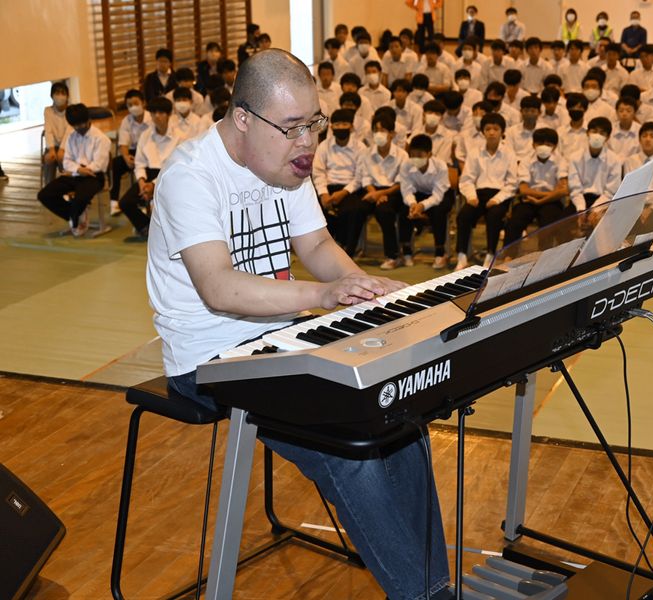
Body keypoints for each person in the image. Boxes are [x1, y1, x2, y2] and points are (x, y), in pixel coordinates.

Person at [147, 49, 453, 600]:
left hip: (280, 342)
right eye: (291, 128)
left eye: (314, 124)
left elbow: (315, 244)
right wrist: (324, 294)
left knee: (401, 420)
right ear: (243, 118)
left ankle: (432, 587)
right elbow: (219, 288)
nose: (307, 143)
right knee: (349, 450)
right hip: (209, 359)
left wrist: (364, 289)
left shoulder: (284, 163)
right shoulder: (189, 177)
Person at [37, 103, 111, 236]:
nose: (79, 128)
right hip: (75, 174)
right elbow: (66, 161)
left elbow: (100, 164)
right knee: (44, 194)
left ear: (89, 120)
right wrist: (78, 169)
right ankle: (75, 215)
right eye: (75, 125)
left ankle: (76, 215)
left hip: (94, 176)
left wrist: (84, 170)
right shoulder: (72, 136)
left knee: (80, 197)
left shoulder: (101, 139)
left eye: (81, 124)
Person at [456, 113, 517, 269]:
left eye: (495, 129)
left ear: (502, 132)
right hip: (478, 194)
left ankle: (491, 254)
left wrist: (497, 199)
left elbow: (512, 183)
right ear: (482, 131)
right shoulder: (475, 152)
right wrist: (471, 196)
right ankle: (462, 255)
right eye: (488, 128)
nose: (491, 132)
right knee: (464, 215)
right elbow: (467, 179)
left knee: (494, 216)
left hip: (499, 195)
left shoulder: (509, 153)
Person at [118, 97, 182, 241]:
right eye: (153, 113)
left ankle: (171, 230)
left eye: (161, 113)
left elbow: (176, 166)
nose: (157, 116)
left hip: (170, 176)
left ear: (168, 114)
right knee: (125, 202)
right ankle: (146, 227)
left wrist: (153, 185)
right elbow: (139, 163)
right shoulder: (145, 135)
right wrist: (141, 182)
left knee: (164, 204)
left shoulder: (179, 136)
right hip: (148, 176)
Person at [358, 111, 410, 269]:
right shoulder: (367, 153)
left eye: (382, 130)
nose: (378, 134)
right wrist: (374, 192)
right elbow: (365, 177)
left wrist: (381, 194)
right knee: (355, 209)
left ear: (392, 134)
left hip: (393, 192)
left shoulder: (401, 155)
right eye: (376, 130)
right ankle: (349, 250)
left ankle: (392, 255)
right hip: (372, 190)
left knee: (384, 211)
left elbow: (402, 182)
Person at [313, 108, 367, 254]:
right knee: (314, 208)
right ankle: (322, 249)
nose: (340, 127)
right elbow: (318, 172)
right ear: (331, 127)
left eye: (344, 124)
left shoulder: (360, 147)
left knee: (354, 210)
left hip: (350, 189)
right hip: (328, 187)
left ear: (351, 126)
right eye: (337, 124)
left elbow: (360, 177)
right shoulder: (324, 146)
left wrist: (343, 193)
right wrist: (323, 194)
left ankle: (347, 249)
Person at [504, 128, 568, 245]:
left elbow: (563, 190)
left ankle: (543, 257)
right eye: (540, 143)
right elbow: (523, 190)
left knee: (548, 224)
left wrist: (543, 199)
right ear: (533, 145)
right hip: (529, 200)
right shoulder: (525, 160)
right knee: (515, 221)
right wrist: (551, 194)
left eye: (548, 144)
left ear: (554, 146)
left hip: (552, 202)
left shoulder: (561, 161)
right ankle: (508, 256)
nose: (544, 147)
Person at [400, 134, 455, 268]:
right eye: (412, 155)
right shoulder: (406, 165)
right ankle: (406, 251)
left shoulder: (440, 166)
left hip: (441, 195)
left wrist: (422, 206)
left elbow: (437, 195)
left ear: (429, 154)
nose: (415, 159)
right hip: (418, 194)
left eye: (420, 155)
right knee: (403, 208)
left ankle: (440, 253)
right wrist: (413, 204)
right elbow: (406, 190)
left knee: (439, 211)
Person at [568, 117, 623, 213]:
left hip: (604, 202)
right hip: (579, 200)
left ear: (608, 137)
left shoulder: (615, 160)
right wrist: (581, 209)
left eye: (602, 133)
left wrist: (594, 211)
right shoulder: (575, 158)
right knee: (563, 225)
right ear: (587, 133)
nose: (597, 136)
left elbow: (611, 192)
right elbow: (575, 189)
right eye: (594, 131)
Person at [110, 89, 152, 206]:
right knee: (116, 163)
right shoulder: (126, 121)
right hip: (134, 151)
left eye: (136, 103)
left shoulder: (151, 118)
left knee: (148, 169)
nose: (133, 107)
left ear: (143, 103)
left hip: (149, 153)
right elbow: (123, 142)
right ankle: (114, 201)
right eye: (130, 105)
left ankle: (144, 200)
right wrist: (126, 157)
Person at [43, 81, 70, 185]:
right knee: (49, 159)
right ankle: (49, 187)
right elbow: (48, 131)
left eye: (63, 93)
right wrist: (51, 150)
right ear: (52, 96)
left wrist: (62, 149)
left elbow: (69, 132)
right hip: (53, 146)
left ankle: (68, 187)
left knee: (64, 158)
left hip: (68, 146)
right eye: (57, 93)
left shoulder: (71, 110)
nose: (60, 96)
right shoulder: (48, 111)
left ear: (67, 96)